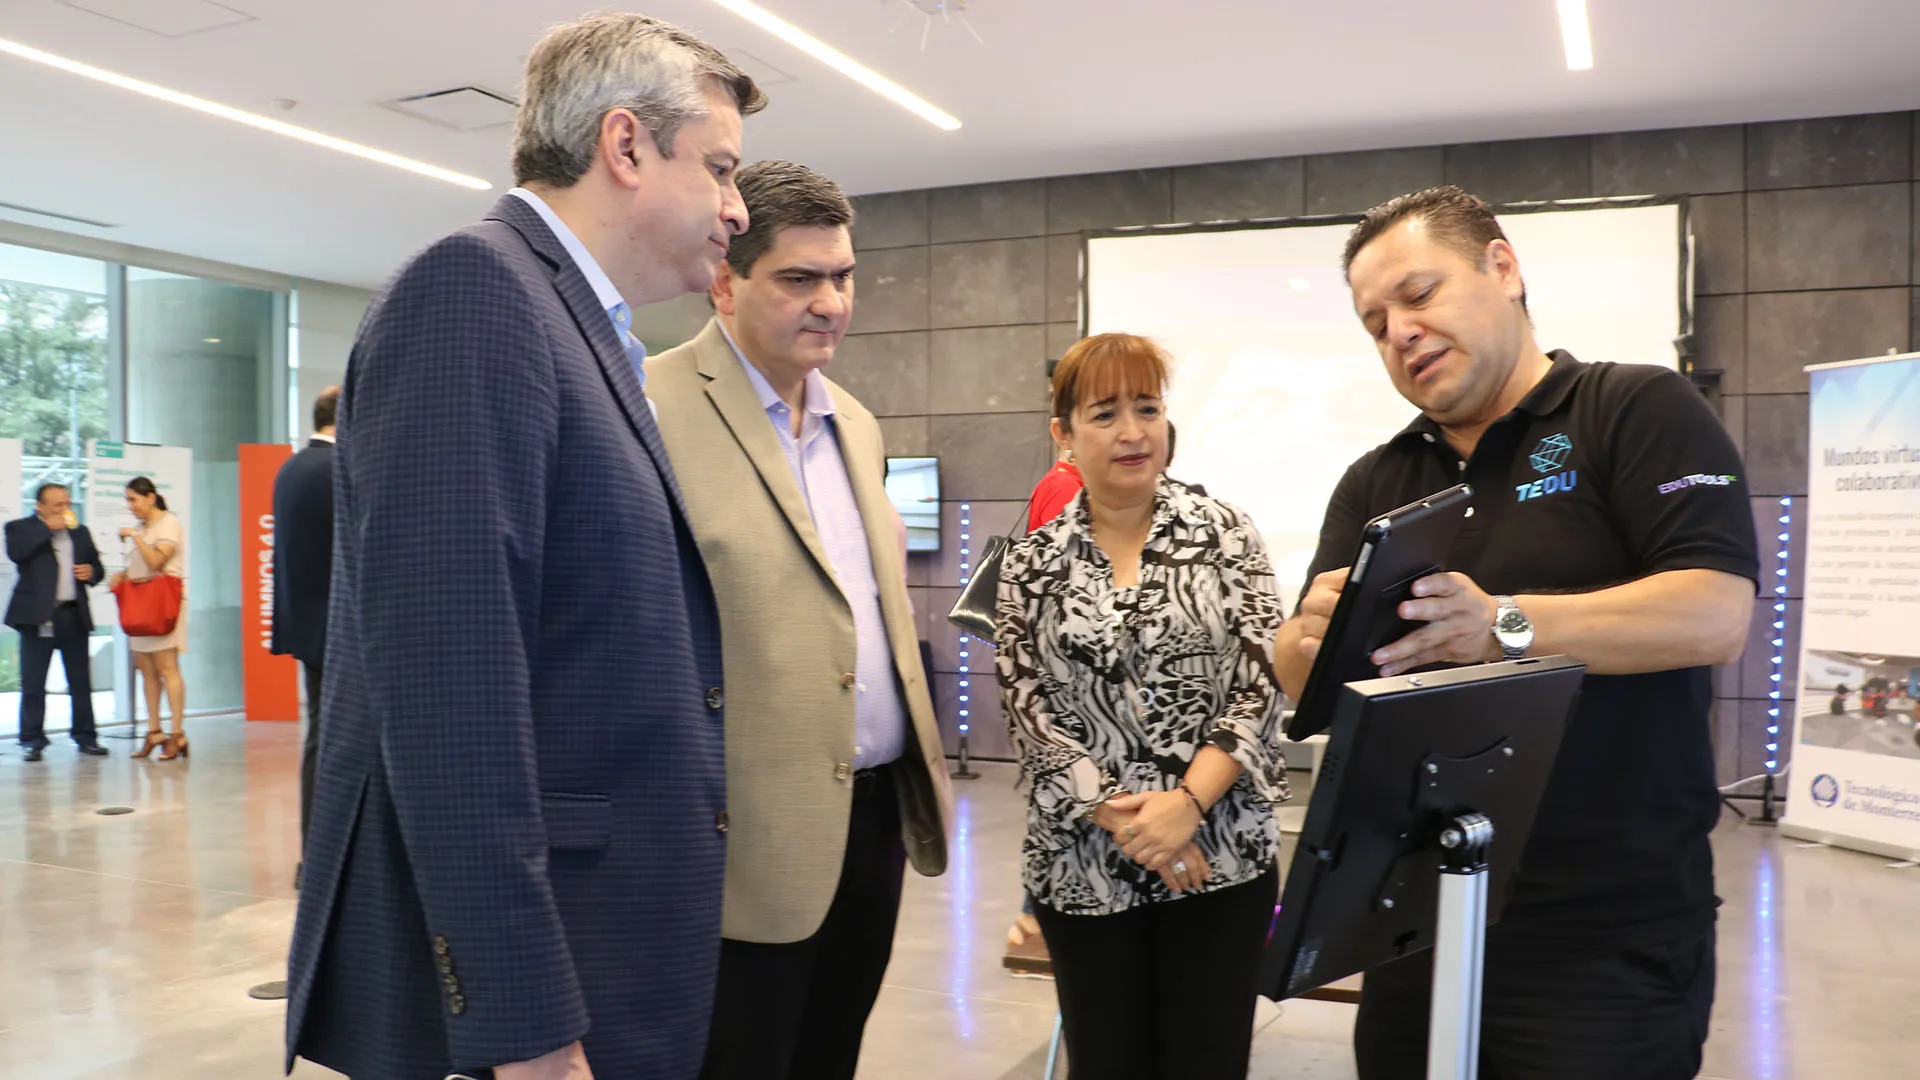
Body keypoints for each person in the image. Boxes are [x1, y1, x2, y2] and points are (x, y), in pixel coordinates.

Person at [283, 15, 764, 1080]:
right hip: (541, 990)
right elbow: (447, 687)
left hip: (606, 931)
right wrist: (524, 1025)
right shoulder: (476, 290)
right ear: (626, 145)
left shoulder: (575, 323)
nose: (738, 208)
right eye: (722, 169)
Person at [1275, 186, 1758, 1080]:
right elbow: (1308, 683)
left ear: (1502, 268)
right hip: (1411, 919)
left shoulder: (1633, 408)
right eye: (1376, 324)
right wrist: (1301, 643)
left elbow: (1715, 612)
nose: (1400, 332)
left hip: (1601, 938)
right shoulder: (1376, 479)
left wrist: (1500, 625)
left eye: (1418, 295)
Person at [646, 160, 954, 1080]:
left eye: (843, 277)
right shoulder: (651, 407)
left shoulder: (854, 421)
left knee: (831, 1053)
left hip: (871, 816)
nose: (831, 303)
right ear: (725, 280)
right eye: (800, 278)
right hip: (740, 834)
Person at [995, 333, 1290, 1080]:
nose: (1132, 432)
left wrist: (1186, 807)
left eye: (1147, 408)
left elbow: (1263, 680)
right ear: (1063, 434)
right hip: (1083, 865)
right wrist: (1133, 825)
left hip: (1219, 856)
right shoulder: (1030, 563)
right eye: (1105, 414)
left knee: (1207, 1059)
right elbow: (1028, 710)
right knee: (1106, 1061)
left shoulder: (1226, 533)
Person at [271, 386, 339, 886]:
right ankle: (323, 861)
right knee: (336, 743)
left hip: (308, 625)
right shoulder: (339, 470)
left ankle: (313, 858)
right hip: (340, 630)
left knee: (319, 739)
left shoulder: (292, 468)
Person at [5, 483, 108, 761]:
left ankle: (86, 736)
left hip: (73, 615)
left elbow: (98, 568)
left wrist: (91, 572)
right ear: (40, 506)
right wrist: (47, 528)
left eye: (67, 504)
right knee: (34, 682)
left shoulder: (80, 531)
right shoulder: (19, 528)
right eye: (58, 505)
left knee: (80, 681)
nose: (65, 509)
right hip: (38, 616)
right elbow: (17, 553)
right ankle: (32, 739)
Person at [112, 476, 188, 761]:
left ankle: (177, 733)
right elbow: (142, 565)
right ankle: (154, 730)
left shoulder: (168, 523)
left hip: (163, 604)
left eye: (133, 499)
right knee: (146, 670)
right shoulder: (143, 527)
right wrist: (123, 575)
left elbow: (157, 561)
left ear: (150, 498)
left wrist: (135, 537)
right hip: (141, 606)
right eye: (128, 500)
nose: (130, 506)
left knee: (168, 668)